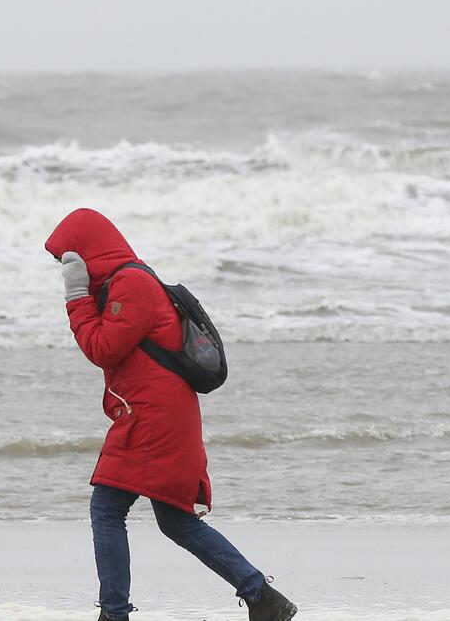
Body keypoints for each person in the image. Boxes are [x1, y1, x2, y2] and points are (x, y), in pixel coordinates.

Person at [44, 208, 298, 621]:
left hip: (155, 420)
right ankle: (263, 598)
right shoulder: (121, 282)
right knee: (175, 521)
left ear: (87, 251)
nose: (62, 268)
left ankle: (114, 614)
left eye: (66, 259)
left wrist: (75, 298)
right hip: (153, 415)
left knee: (107, 509)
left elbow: (101, 349)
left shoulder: (132, 283)